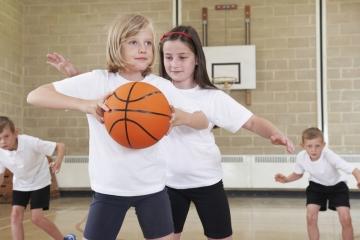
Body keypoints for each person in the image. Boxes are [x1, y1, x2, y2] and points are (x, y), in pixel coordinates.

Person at [45, 25, 295, 240]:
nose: (174, 64)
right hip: (167, 183)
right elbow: (115, 100)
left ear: (197, 59)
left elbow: (250, 121)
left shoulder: (212, 97)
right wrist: (76, 77)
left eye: (182, 57)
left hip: (206, 181)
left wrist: (274, 133)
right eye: (168, 57)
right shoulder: (150, 89)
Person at [27, 14, 209, 240]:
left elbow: (203, 120)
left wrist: (184, 118)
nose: (143, 49)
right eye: (133, 42)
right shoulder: (97, 81)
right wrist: (84, 104)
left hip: (152, 188)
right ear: (116, 45)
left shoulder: (162, 86)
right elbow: (35, 96)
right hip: (109, 189)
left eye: (148, 43)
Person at [275, 127, 360, 240]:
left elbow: (354, 170)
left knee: (345, 218)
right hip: (316, 186)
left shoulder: (329, 155)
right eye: (309, 146)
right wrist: (286, 179)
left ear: (323, 145)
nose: (313, 150)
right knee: (310, 217)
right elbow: (298, 174)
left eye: (317, 146)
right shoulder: (301, 157)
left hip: (337, 186)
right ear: (303, 145)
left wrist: (359, 179)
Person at [0, 116, 76, 240]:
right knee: (15, 216)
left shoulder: (29, 142)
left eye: (6, 136)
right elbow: (0, 176)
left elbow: (60, 146)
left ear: (16, 133)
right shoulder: (0, 152)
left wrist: (58, 161)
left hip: (40, 180)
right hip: (21, 183)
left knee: (36, 218)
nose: (2, 142)